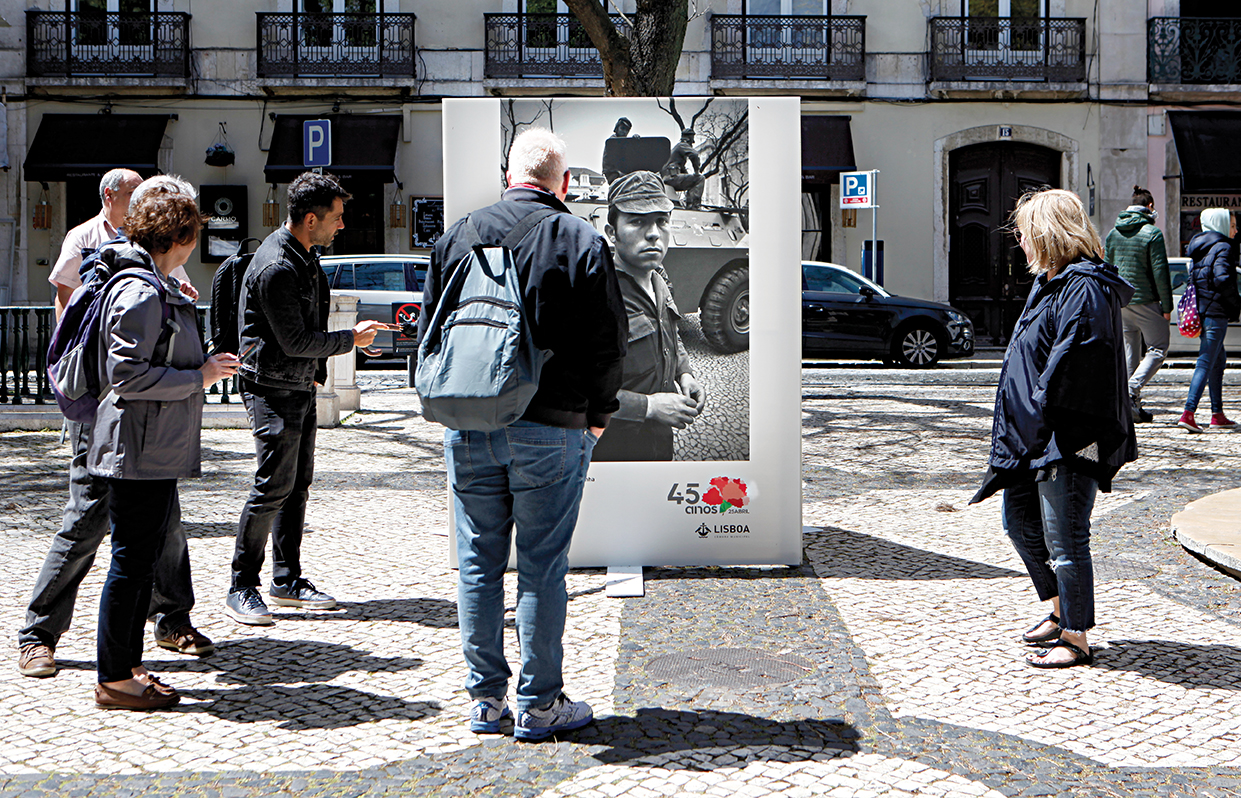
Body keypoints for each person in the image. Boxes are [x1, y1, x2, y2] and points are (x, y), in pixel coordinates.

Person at [418, 127, 626, 740]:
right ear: (564, 183)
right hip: (553, 426)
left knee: (477, 564)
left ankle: (485, 703)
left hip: (469, 422)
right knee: (541, 567)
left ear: (508, 176)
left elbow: (431, 326)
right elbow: (609, 343)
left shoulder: (458, 235)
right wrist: (598, 414)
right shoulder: (581, 239)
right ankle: (539, 706)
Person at [17, 175, 212, 680]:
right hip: (107, 413)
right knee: (87, 521)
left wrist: (174, 296)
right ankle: (40, 633)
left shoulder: (151, 266)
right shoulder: (92, 243)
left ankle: (170, 618)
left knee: (161, 523)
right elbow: (93, 331)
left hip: (146, 422)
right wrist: (194, 374)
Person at [970, 188, 1137, 669]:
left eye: (1023, 233)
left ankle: (1077, 635)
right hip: (1031, 437)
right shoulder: (1054, 281)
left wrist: (1044, 411)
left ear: (1046, 234)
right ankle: (1060, 607)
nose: (1019, 242)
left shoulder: (1083, 286)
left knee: (1065, 538)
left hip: (1063, 435)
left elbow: (1077, 363)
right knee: (1019, 524)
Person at [88, 185, 240, 709]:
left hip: (146, 445)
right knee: (131, 562)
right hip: (137, 448)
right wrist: (201, 374)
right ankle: (114, 678)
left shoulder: (153, 285)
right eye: (192, 238)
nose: (193, 248)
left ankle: (128, 665)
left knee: (141, 558)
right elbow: (127, 375)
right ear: (177, 237)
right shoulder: (142, 290)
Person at [227, 172, 384, 625]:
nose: (341, 226)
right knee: (272, 485)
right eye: (336, 218)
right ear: (310, 218)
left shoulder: (304, 254)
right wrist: (346, 339)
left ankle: (286, 580)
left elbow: (304, 335)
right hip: (271, 387)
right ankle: (242, 585)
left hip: (296, 385)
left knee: (295, 485)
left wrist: (345, 342)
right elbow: (295, 340)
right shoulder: (277, 265)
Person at [591, 171, 705, 461]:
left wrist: (685, 373)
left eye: (661, 221)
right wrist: (649, 407)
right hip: (612, 449)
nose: (654, 232)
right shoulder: (597, 293)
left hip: (656, 442)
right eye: (638, 221)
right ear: (611, 232)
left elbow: (670, 333)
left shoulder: (657, 278)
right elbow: (577, 389)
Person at [48, 169, 194, 317]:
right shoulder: (82, 236)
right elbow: (65, 292)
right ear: (109, 195)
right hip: (101, 332)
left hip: (149, 325)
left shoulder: (152, 234)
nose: (140, 200)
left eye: (143, 194)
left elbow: (179, 281)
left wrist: (183, 289)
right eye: (132, 193)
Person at [1103, 186, 1172, 423]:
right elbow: (1160, 272)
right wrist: (1167, 307)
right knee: (1158, 347)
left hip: (1121, 301)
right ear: (1150, 207)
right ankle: (1131, 389)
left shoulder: (1113, 233)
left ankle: (1128, 407)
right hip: (1146, 300)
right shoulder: (1152, 233)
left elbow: (1107, 268)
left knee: (1130, 350)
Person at [1177, 208, 1240, 433]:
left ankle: (1217, 414)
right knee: (1205, 361)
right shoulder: (1223, 247)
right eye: (1232, 225)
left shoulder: (1200, 247)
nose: (1235, 230)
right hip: (1215, 312)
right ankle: (1188, 412)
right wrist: (1236, 303)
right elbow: (1222, 278)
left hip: (1203, 310)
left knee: (1217, 361)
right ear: (1222, 225)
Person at [660, 128, 704, 210]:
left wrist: (689, 176)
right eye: (692, 139)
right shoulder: (682, 145)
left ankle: (690, 203)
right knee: (700, 179)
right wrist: (697, 171)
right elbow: (694, 155)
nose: (692, 142)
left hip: (668, 178)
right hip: (672, 178)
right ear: (689, 138)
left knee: (693, 180)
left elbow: (683, 170)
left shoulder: (677, 151)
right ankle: (693, 205)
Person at [601, 117, 634, 183]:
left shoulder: (625, 142)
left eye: (627, 130)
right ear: (617, 128)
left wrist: (635, 141)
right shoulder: (613, 140)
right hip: (612, 172)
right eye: (622, 128)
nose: (624, 132)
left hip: (622, 172)